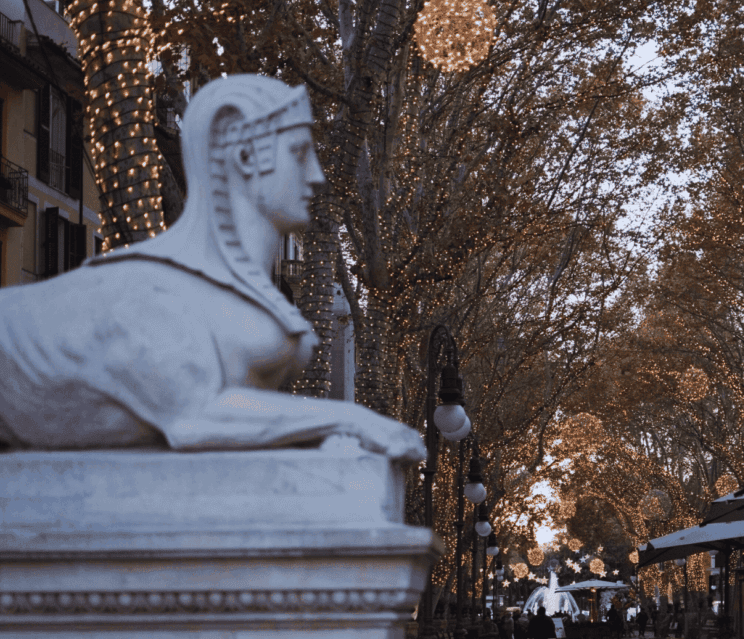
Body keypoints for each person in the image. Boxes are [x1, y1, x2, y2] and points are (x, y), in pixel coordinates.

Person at [0, 75, 425, 462]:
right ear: (243, 156)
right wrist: (354, 420)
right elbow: (196, 418)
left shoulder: (201, 293)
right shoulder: (153, 298)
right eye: (298, 153)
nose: (315, 176)